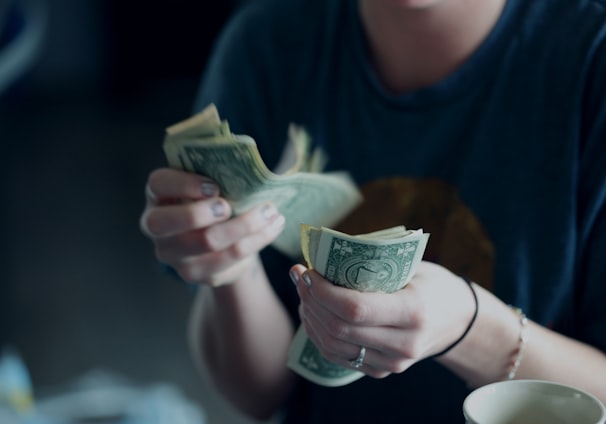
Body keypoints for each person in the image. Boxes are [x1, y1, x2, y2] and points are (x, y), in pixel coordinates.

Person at [139, 0, 606, 421]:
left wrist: (472, 329)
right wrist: (231, 268)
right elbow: (261, 396)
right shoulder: (268, 43)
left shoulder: (589, 61)